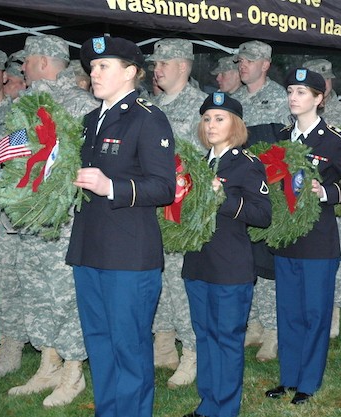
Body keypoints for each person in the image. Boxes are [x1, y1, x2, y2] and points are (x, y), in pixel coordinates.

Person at [67, 35, 176, 417]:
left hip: (128, 255)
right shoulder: (88, 121)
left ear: (130, 72)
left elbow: (164, 187)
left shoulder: (148, 118)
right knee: (99, 344)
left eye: (103, 66)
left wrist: (110, 186)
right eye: (92, 66)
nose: (94, 73)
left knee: (129, 348)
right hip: (88, 249)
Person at [7, 34, 99, 407]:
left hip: (65, 220)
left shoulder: (81, 106)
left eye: (26, 63)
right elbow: (12, 157)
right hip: (31, 218)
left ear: (43, 62)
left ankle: (73, 370)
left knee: (66, 294)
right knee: (37, 291)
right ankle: (48, 364)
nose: (23, 69)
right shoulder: (25, 105)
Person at [265, 68, 341, 404]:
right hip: (286, 239)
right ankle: (289, 377)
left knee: (315, 314)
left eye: (301, 92)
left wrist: (324, 192)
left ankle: (309, 382)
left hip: (318, 241)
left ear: (319, 99)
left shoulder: (334, 140)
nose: (293, 97)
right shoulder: (282, 137)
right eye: (291, 91)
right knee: (288, 312)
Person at [181, 92, 271, 417]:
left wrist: (224, 199)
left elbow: (263, 215)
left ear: (235, 125)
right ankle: (207, 405)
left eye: (219, 118)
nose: (211, 124)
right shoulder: (196, 165)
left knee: (227, 341)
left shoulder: (247, 165)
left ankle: (226, 409)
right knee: (204, 338)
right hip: (197, 265)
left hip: (230, 268)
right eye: (207, 118)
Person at [145, 37, 207, 388]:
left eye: (163, 63)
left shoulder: (202, 107)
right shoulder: (151, 106)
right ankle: (164, 344)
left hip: (184, 214)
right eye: (155, 64)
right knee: (160, 280)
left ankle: (193, 352)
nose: (157, 69)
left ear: (183, 66)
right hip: (153, 210)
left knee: (183, 285)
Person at [232, 40, 290, 361]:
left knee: (269, 262)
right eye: (241, 60)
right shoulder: (235, 100)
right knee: (247, 260)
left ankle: (273, 331)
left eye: (250, 60)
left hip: (273, 192)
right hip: (243, 191)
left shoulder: (282, 99)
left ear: (265, 64)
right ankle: (252, 324)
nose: (243, 65)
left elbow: (290, 150)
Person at [302, 58, 341, 339]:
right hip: (306, 205)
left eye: (326, 78)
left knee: (339, 256)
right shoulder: (299, 111)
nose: (323, 84)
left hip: (339, 203)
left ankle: (334, 313)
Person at [0, 45, 28, 378]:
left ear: (3, 76)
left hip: (1, 221)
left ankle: (10, 347)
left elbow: (16, 168)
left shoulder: (16, 117)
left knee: (6, 285)